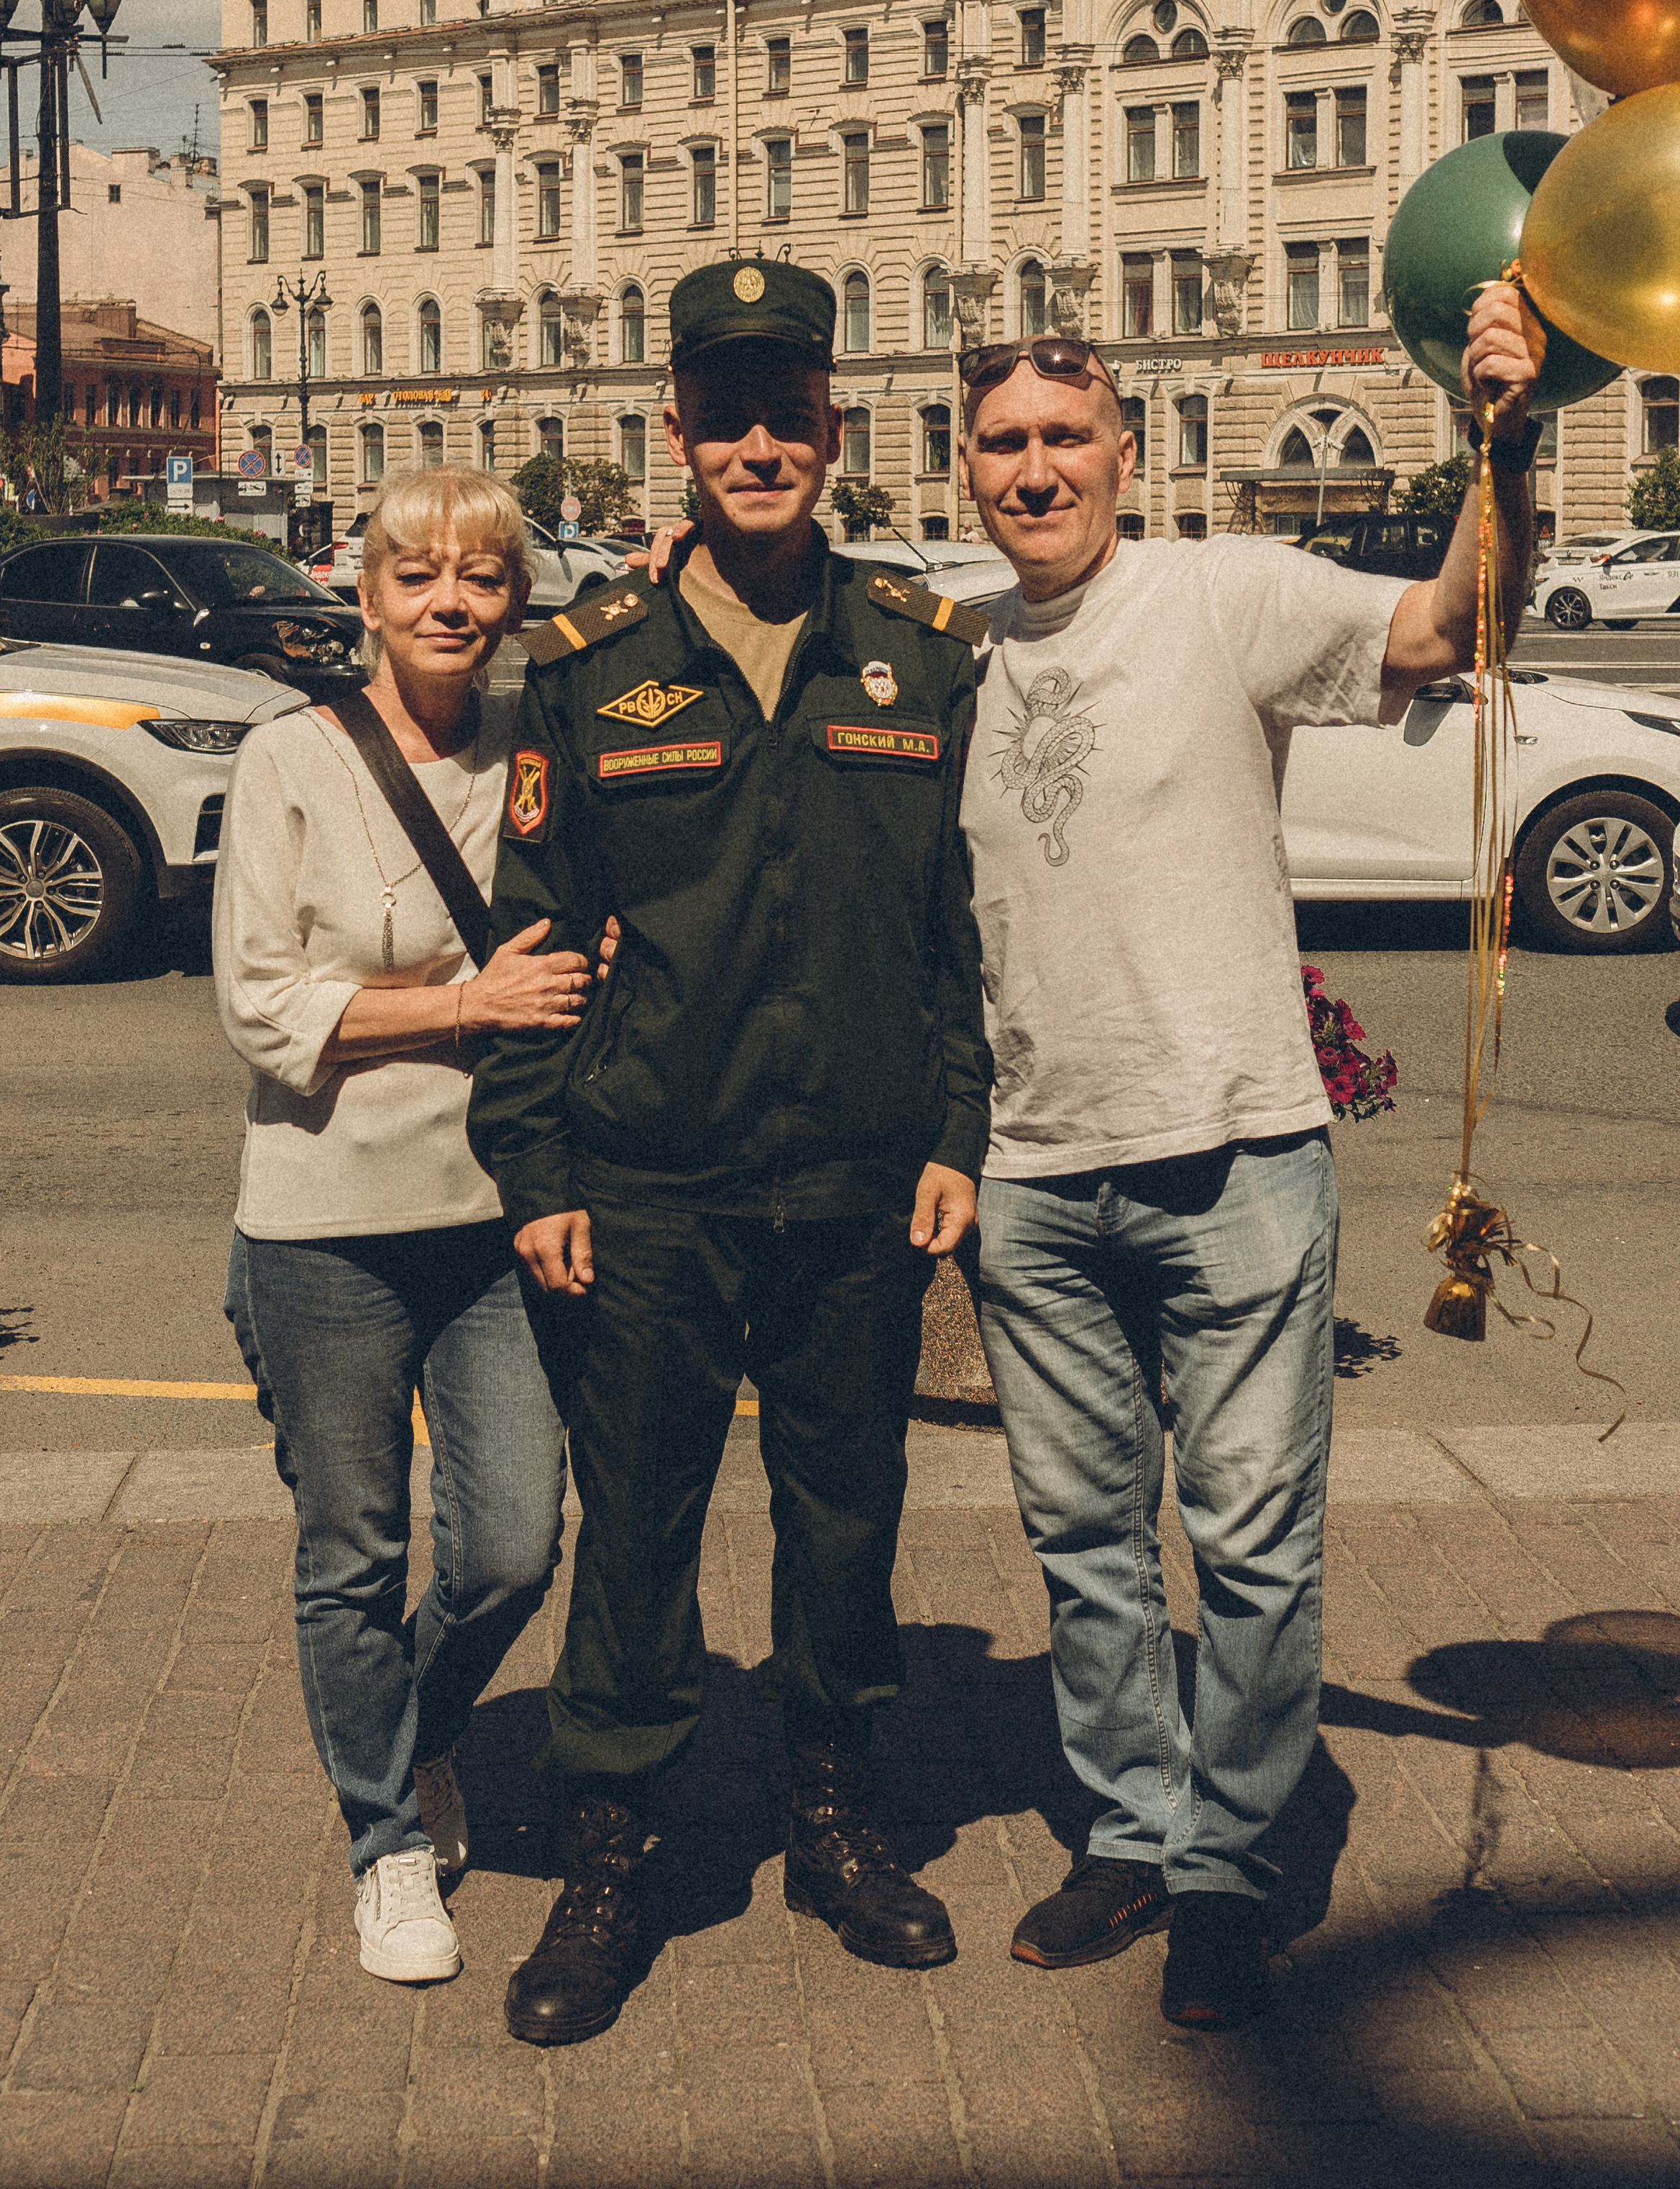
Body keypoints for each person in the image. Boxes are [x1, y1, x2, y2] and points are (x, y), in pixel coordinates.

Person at [957, 285, 1541, 2029]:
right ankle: (1130, 1831)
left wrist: (1501, 441)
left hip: (1229, 1154)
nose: (1036, 469)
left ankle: (1228, 1866)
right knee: (1082, 1542)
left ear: (1125, 454)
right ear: (965, 468)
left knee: (1252, 1547)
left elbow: (1447, 627)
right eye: (1003, 443)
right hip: (1032, 1173)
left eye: (1067, 437)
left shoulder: (1222, 595)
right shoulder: (953, 644)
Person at [467, 256, 993, 2048]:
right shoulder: (589, 665)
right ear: (673, 432)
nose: (757, 444)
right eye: (724, 414)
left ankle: (832, 1817)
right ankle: (611, 1854)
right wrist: (536, 1173)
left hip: (856, 1178)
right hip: (650, 1182)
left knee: (845, 1515)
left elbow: (952, 928)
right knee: (636, 1525)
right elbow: (536, 937)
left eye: (787, 411)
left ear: (833, 427)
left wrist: (954, 1130)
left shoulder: (919, 650)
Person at [214, 466, 605, 1985]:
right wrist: (466, 1006)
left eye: (482, 577)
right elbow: (263, 1009)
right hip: (324, 1222)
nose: (452, 602)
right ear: (365, 597)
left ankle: (413, 1724)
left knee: (510, 1544)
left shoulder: (537, 750)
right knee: (352, 1549)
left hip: (496, 1211)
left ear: (516, 601)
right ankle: (384, 1839)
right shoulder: (288, 758)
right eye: (419, 574)